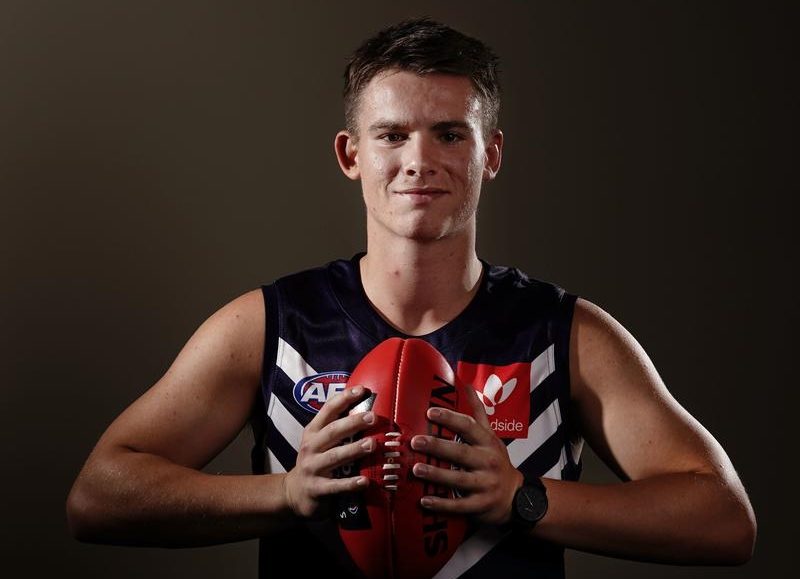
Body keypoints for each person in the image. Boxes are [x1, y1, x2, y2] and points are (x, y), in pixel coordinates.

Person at [66, 18, 756, 577]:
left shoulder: (564, 334)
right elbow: (98, 496)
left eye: (449, 134)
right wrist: (286, 492)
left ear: (490, 154)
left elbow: (724, 519)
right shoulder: (270, 326)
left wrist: (523, 497)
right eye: (392, 135)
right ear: (351, 155)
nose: (419, 161)